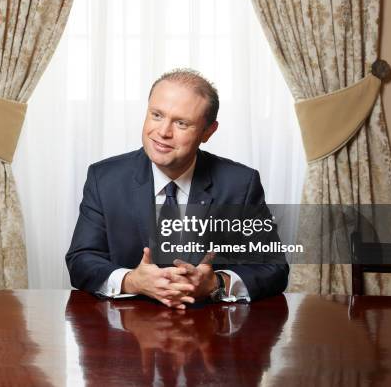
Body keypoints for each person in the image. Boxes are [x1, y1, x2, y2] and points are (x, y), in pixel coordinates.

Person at [65, 69, 288, 308]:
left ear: (208, 131)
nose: (163, 132)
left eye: (181, 123)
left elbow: (274, 268)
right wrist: (131, 281)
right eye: (157, 115)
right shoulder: (104, 178)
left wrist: (216, 283)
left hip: (210, 333)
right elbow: (81, 260)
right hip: (126, 332)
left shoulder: (241, 184)